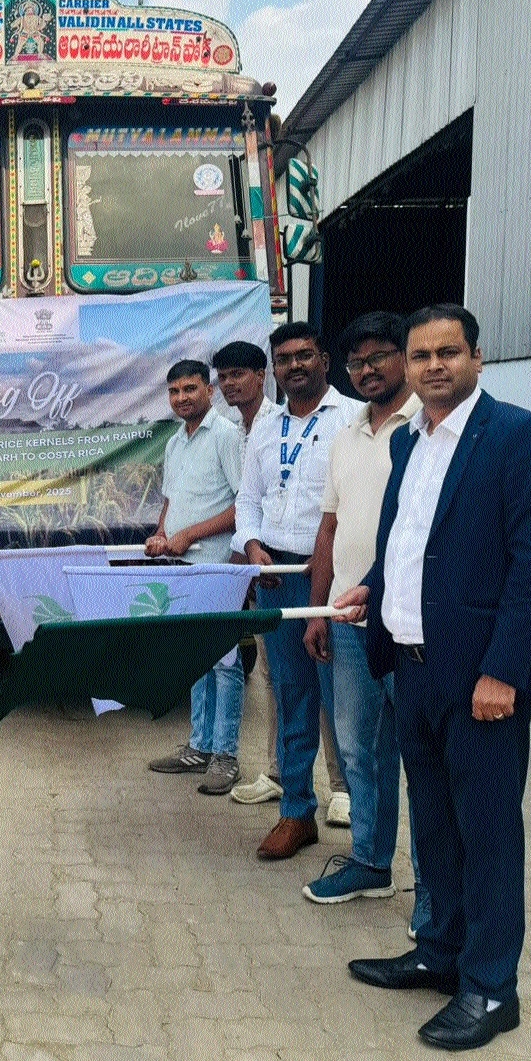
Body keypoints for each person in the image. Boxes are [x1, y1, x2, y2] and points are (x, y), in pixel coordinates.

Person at [335, 304, 531, 1051]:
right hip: (414, 664)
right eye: (422, 354)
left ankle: (493, 989)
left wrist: (503, 669)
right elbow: (410, 538)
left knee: (488, 834)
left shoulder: (519, 437)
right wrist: (372, 586)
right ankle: (440, 952)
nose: (435, 365)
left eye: (449, 352)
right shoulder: (411, 441)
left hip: (480, 682)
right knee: (433, 824)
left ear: (476, 359)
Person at [301, 313, 426, 915]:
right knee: (358, 752)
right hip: (349, 622)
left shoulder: (426, 431)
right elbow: (329, 527)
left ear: (404, 357)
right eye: (357, 362)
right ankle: (371, 864)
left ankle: (435, 897)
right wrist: (320, 611)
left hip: (412, 624)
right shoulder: (346, 435)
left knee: (426, 763)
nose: (368, 369)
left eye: (380, 356)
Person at [232, 322, 354, 861]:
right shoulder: (265, 427)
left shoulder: (353, 419)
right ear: (274, 370)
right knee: (291, 696)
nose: (294, 366)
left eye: (304, 355)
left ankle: (362, 821)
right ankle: (296, 813)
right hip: (276, 576)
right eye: (284, 359)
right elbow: (246, 498)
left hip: (333, 576)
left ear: (324, 360)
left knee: (344, 702)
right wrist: (253, 545)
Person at [144, 360, 247, 794]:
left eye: (190, 388)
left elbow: (244, 507)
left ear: (210, 390)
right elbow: (172, 500)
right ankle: (198, 748)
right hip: (183, 566)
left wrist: (189, 535)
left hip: (218, 565)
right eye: (174, 391)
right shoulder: (175, 442)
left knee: (224, 662)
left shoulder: (226, 436)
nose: (182, 397)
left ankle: (225, 756)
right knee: (196, 656)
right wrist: (163, 533)